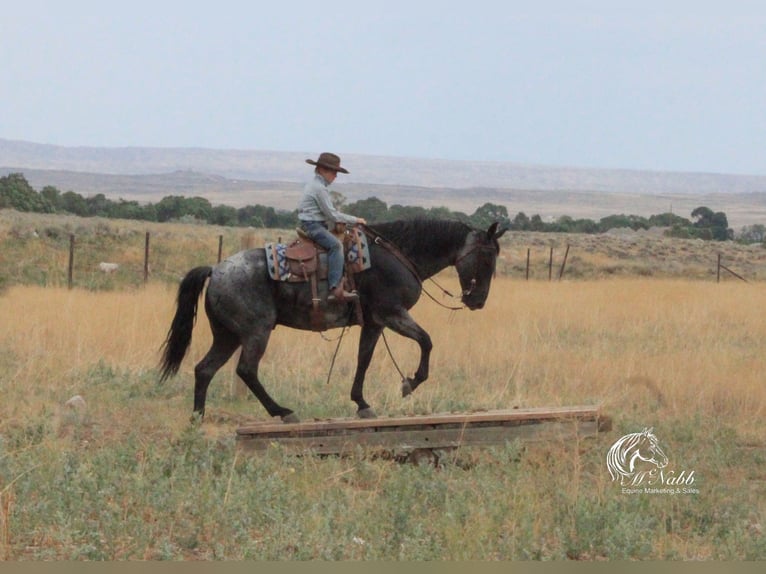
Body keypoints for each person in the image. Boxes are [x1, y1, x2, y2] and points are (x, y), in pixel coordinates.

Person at [297, 152, 367, 302]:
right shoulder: (319, 188)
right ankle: (335, 288)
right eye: (334, 172)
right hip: (314, 226)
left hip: (313, 224)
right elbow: (332, 214)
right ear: (322, 170)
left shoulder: (315, 185)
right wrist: (356, 220)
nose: (336, 176)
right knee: (336, 246)